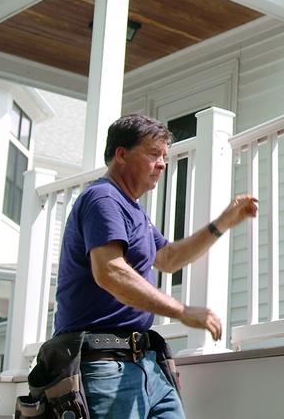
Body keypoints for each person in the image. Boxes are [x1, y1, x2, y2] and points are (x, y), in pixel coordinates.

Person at [25, 113, 258, 418]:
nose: (162, 163)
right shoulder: (103, 199)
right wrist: (182, 312)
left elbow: (169, 258)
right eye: (152, 154)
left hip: (145, 364)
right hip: (104, 366)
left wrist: (222, 223)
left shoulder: (133, 209)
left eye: (164, 156)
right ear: (121, 154)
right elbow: (110, 272)